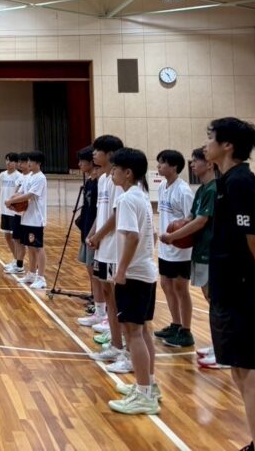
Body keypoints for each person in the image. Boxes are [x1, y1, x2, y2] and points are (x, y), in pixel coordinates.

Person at [204, 117, 255, 451]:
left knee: (245, 373)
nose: (206, 144)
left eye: (210, 138)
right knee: (248, 370)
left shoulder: (240, 182)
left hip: (239, 290)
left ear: (227, 145)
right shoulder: (227, 181)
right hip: (229, 287)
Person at [107, 148, 160, 415]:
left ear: (127, 173)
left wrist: (122, 270)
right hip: (146, 272)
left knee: (133, 334)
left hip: (134, 275)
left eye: (115, 169)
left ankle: (144, 395)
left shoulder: (127, 199)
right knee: (142, 331)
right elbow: (153, 236)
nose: (111, 173)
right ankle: (148, 384)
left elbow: (133, 237)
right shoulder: (142, 197)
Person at [161, 147, 224, 368]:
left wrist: (173, 236)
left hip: (211, 251)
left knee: (216, 301)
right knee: (211, 299)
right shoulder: (202, 189)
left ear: (210, 164)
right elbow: (190, 217)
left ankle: (225, 350)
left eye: (196, 161)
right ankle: (220, 346)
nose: (192, 165)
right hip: (201, 250)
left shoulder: (213, 189)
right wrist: (176, 228)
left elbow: (200, 221)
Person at [86, 134, 130, 374]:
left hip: (113, 247)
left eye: (98, 150)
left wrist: (99, 236)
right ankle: (115, 343)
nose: (94, 154)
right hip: (102, 245)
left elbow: (116, 215)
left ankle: (123, 345)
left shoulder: (117, 180)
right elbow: (101, 212)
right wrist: (92, 233)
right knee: (106, 293)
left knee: (116, 297)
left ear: (110, 154)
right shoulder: (103, 179)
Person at [155, 149, 196, 348]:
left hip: (181, 249)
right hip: (165, 247)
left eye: (162, 163)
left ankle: (186, 331)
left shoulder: (184, 191)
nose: (158, 166)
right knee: (166, 284)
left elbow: (191, 220)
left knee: (181, 288)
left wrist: (174, 237)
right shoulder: (162, 187)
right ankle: (176, 324)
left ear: (174, 166)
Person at [76, 146, 107, 326]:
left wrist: (94, 233)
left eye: (82, 160)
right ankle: (98, 304)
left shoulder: (100, 183)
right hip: (87, 231)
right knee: (90, 270)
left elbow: (101, 212)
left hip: (94, 234)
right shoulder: (90, 182)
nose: (79, 164)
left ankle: (102, 309)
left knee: (96, 273)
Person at [8, 151, 47, 287]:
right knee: (30, 247)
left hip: (36, 219)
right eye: (28, 160)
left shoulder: (40, 178)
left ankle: (41, 278)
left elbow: (29, 195)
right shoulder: (29, 177)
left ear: (38, 163)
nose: (28, 163)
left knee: (38, 247)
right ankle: (31, 273)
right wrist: (11, 201)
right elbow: (21, 192)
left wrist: (11, 201)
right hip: (26, 217)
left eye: (31, 161)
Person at [0, 153, 23, 273]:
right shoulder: (2, 175)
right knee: (7, 236)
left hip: (14, 211)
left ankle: (19, 262)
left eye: (11, 161)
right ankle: (15, 259)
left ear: (16, 163)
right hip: (4, 210)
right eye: (7, 160)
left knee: (16, 239)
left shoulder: (19, 176)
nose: (8, 163)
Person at [8, 152, 32, 274]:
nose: (20, 165)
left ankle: (34, 269)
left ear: (29, 163)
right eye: (20, 162)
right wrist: (12, 203)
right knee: (16, 239)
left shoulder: (32, 177)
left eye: (23, 162)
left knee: (27, 243)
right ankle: (18, 264)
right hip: (18, 214)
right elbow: (17, 193)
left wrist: (12, 201)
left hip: (27, 215)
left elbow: (26, 196)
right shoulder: (20, 177)